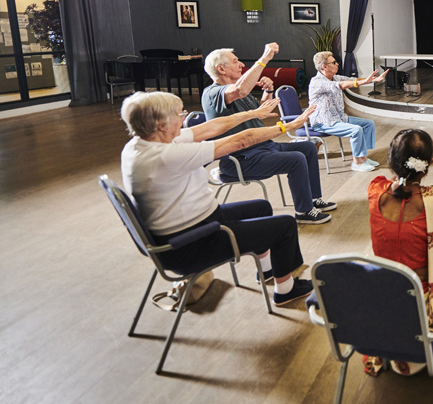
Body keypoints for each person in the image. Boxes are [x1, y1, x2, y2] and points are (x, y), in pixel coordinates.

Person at [119, 91, 315, 306]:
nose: (183, 118)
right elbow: (242, 140)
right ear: (162, 124)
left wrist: (252, 113)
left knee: (261, 208)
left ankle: (268, 272)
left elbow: (209, 128)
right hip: (191, 242)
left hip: (196, 224)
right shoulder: (165, 156)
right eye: (179, 114)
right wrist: (287, 127)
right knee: (285, 225)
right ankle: (285, 290)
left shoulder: (140, 144)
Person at [364, 129, 433, 375]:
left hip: (383, 304)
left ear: (390, 162)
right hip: (423, 314)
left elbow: (397, 188)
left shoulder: (375, 190)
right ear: (430, 163)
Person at [202, 43, 336, 225]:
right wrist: (264, 58)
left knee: (308, 147)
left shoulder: (240, 91)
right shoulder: (212, 93)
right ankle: (303, 212)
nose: (241, 64)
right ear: (221, 69)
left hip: (265, 147)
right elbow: (239, 90)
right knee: (296, 158)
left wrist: (268, 91)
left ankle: (313, 199)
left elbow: (260, 113)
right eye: (235, 61)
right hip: (241, 159)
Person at [308, 51, 387, 172]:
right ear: (324, 66)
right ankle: (357, 162)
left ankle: (363, 158)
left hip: (339, 118)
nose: (337, 64)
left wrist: (373, 80)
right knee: (356, 129)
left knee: (368, 124)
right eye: (334, 62)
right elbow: (342, 85)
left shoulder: (334, 77)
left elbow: (351, 79)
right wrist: (364, 81)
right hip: (324, 122)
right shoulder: (317, 82)